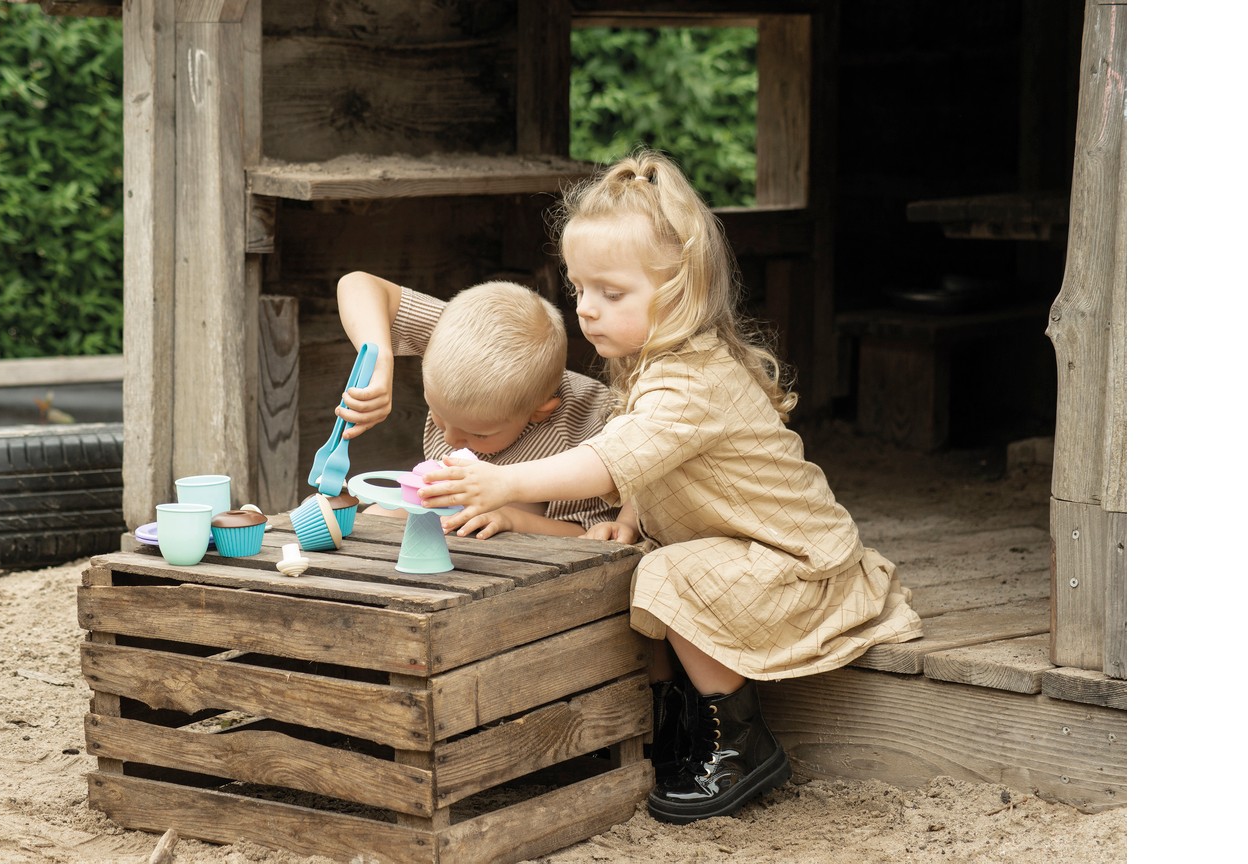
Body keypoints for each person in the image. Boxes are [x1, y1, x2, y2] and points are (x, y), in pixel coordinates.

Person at [412, 150, 925, 824]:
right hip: (746, 556)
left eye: (612, 293)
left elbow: (610, 456)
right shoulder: (657, 365)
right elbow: (652, 461)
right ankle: (676, 729)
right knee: (644, 564)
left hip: (799, 567)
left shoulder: (691, 380)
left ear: (680, 290)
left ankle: (740, 743)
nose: (587, 312)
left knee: (667, 577)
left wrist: (500, 481)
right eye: (579, 290)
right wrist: (630, 509)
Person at [334, 271, 619, 538]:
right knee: (377, 516)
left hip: (525, 547)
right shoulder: (458, 338)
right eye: (438, 416)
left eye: (479, 434)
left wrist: (511, 519)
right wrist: (380, 358)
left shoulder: (584, 426)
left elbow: (591, 535)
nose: (450, 439)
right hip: (453, 516)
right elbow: (357, 283)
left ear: (539, 412)